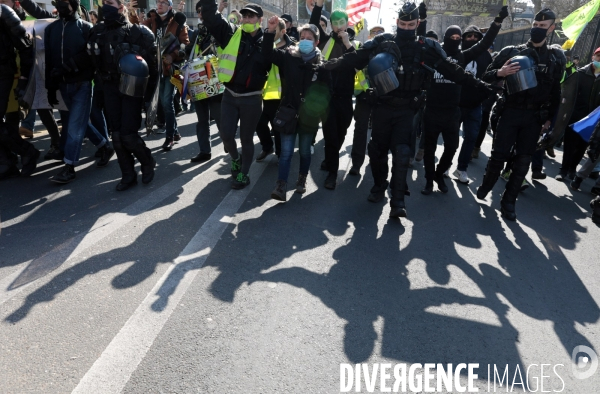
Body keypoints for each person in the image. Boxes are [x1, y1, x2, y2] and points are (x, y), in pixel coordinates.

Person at [321, 2, 493, 217]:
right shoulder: (383, 43)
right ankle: (378, 186)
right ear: (397, 22)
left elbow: (453, 70)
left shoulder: (426, 47)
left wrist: (480, 85)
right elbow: (354, 59)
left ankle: (398, 199)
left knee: (402, 153)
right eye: (402, 23)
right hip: (383, 106)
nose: (406, 28)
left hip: (407, 109)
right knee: (377, 152)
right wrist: (324, 65)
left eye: (411, 24)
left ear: (417, 23)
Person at [477, 8, 565, 221]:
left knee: (522, 161)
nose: (537, 29)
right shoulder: (510, 51)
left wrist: (548, 120)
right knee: (499, 155)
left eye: (543, 26)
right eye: (535, 25)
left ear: (551, 28)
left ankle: (509, 201)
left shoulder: (555, 58)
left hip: (534, 117)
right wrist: (500, 73)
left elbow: (556, 91)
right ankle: (487, 185)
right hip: (510, 111)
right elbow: (485, 76)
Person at [421, 7, 505, 194]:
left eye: (459, 38)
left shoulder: (462, 56)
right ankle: (428, 180)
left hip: (452, 111)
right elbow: (420, 41)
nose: (456, 40)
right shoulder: (435, 55)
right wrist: (423, 19)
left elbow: (484, 45)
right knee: (429, 148)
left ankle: (439, 174)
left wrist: (496, 23)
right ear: (445, 38)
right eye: (453, 37)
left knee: (451, 147)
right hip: (432, 110)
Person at [88, 0, 158, 191]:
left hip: (131, 89)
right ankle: (128, 175)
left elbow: (153, 68)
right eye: (104, 3)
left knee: (128, 135)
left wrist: (149, 99)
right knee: (116, 136)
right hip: (109, 88)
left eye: (110, 2)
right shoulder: (97, 32)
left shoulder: (137, 33)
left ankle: (147, 161)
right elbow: (92, 63)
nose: (106, 5)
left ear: (121, 6)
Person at [201, 1, 271, 189]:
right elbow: (212, 19)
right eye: (245, 16)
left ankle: (244, 174)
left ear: (259, 19)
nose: (247, 19)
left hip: (252, 98)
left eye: (251, 16)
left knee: (246, 139)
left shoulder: (267, 42)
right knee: (226, 134)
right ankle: (235, 158)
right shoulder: (232, 34)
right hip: (230, 95)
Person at [45, 0, 113, 184]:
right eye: (58, 2)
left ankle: (69, 167)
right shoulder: (51, 30)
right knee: (80, 121)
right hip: (62, 86)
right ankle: (104, 146)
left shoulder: (86, 28)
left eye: (64, 3)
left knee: (74, 127)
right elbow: (49, 60)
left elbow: (89, 56)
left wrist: (68, 66)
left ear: (73, 5)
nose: (59, 6)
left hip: (82, 84)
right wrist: (50, 87)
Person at [262, 21, 330, 201]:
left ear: (316, 42)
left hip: (309, 117)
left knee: (305, 151)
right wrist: (269, 32)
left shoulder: (322, 64)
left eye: (309, 38)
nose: (305, 41)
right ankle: (281, 185)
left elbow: (327, 92)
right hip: (288, 112)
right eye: (302, 38)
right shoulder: (289, 56)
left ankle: (302, 179)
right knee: (285, 153)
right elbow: (267, 53)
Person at [310, 0, 365, 190]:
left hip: (345, 99)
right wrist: (318, 6)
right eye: (335, 22)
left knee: (341, 133)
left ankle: (329, 159)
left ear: (347, 23)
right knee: (331, 136)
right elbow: (314, 23)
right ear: (331, 24)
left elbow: (359, 63)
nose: (339, 26)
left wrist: (347, 43)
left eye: (342, 22)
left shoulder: (355, 43)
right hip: (328, 99)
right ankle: (332, 173)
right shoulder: (326, 40)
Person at [130, 0, 189, 151]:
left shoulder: (178, 21)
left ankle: (169, 137)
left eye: (163, 2)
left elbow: (185, 44)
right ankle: (174, 132)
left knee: (167, 102)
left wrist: (173, 55)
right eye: (158, 2)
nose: (160, 4)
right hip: (155, 68)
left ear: (170, 6)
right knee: (162, 103)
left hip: (170, 69)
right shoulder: (151, 20)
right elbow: (137, 28)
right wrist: (131, 11)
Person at [453, 23, 499, 184]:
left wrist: (485, 94)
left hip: (475, 105)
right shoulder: (458, 54)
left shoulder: (486, 56)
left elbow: (488, 77)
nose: (472, 38)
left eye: (476, 36)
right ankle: (445, 165)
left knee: (471, 137)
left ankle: (461, 169)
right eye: (469, 36)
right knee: (451, 138)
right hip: (457, 104)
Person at [0, 3, 37, 179]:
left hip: (3, 73)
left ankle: (26, 152)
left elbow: (25, 45)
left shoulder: (4, 12)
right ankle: (7, 161)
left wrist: (23, 79)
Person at [185, 1, 222, 163]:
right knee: (202, 120)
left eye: (202, 11)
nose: (199, 15)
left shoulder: (220, 30)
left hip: (214, 77)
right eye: (198, 11)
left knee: (220, 117)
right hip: (198, 79)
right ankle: (205, 151)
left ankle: (229, 144)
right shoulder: (197, 33)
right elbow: (189, 51)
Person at [557, 48, 600, 181]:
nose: (599, 59)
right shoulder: (580, 73)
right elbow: (569, 95)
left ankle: (572, 169)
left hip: (593, 118)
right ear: (593, 56)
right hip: (576, 115)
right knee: (570, 143)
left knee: (582, 145)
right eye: (598, 56)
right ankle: (563, 170)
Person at [255, 17, 293, 162]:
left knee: (277, 126)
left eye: (274, 29)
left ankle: (280, 154)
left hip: (280, 94)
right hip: (263, 92)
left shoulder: (291, 48)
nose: (271, 31)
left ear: (283, 31)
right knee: (258, 122)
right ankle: (267, 146)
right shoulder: (267, 45)